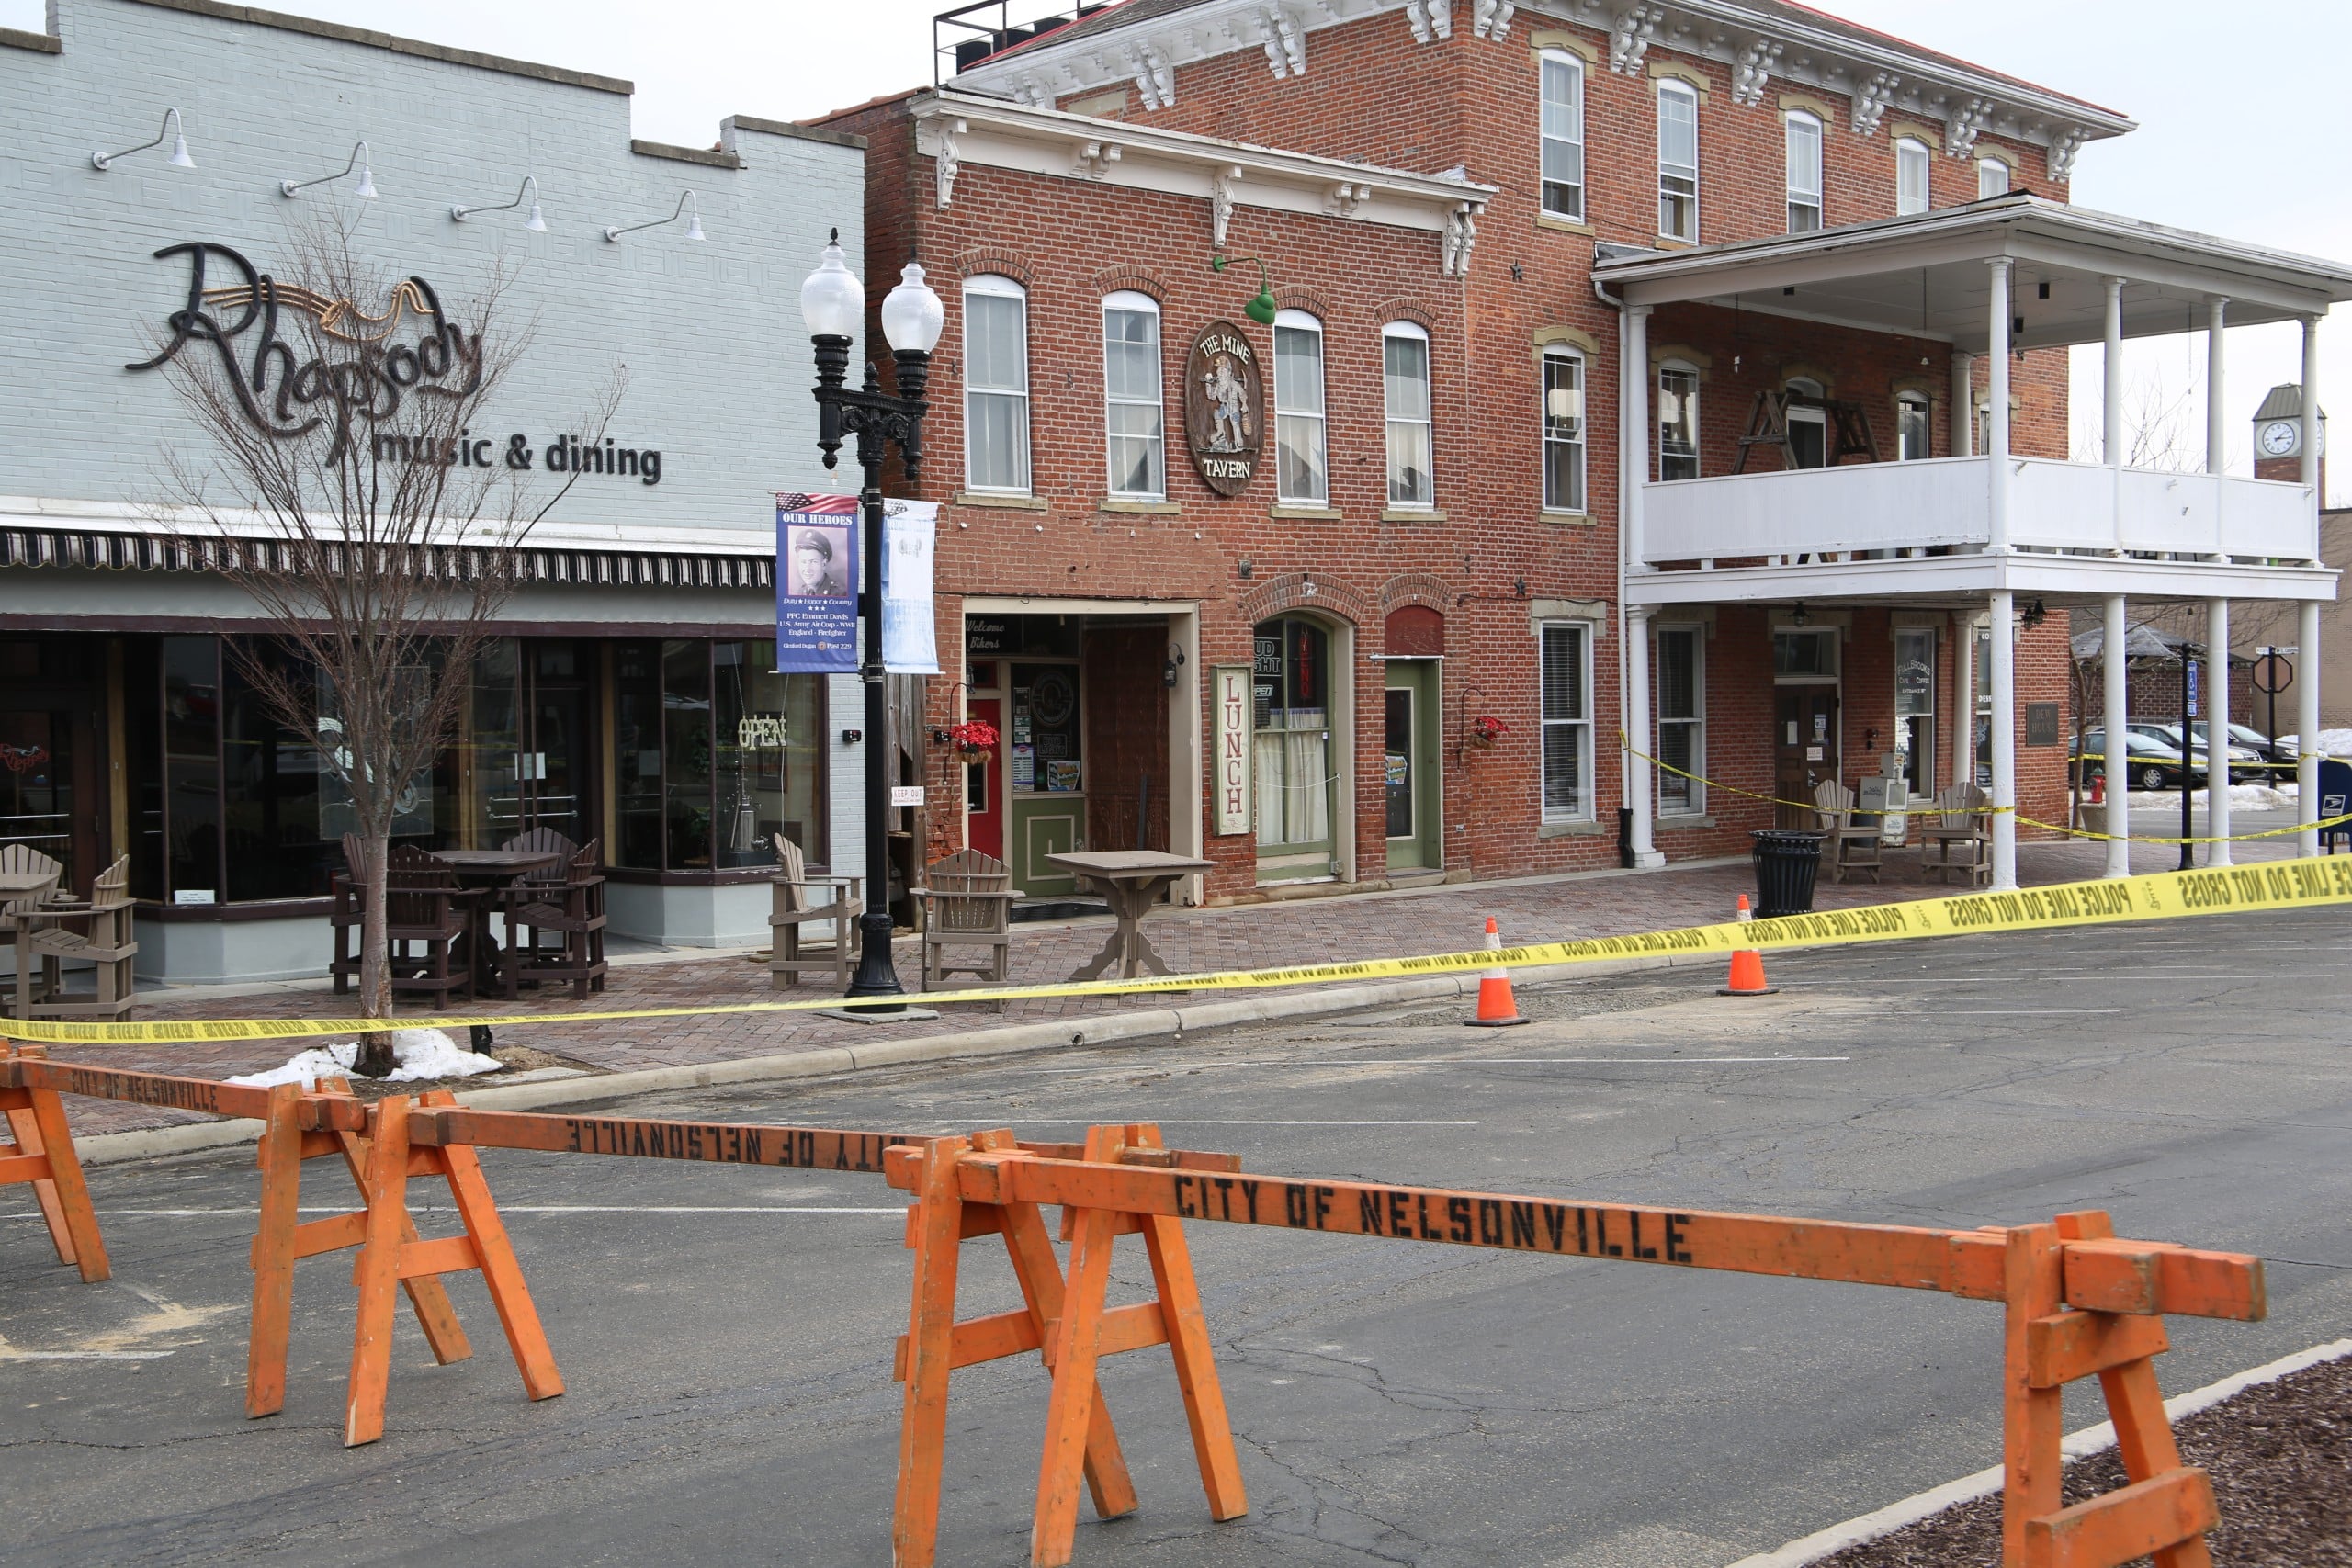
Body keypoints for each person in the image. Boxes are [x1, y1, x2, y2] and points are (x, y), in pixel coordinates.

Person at [791, 528, 848, 596]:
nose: (807, 569)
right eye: (803, 562)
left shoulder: (840, 594)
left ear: (824, 564)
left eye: (813, 562)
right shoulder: (801, 592)